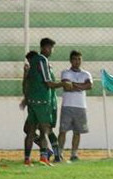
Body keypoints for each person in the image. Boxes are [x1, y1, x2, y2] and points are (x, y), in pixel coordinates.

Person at [21, 38, 70, 167]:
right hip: (43, 101)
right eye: (51, 48)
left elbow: (27, 84)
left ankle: (27, 159)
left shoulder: (32, 65)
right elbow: (48, 83)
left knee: (30, 131)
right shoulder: (43, 60)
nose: (52, 51)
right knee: (45, 130)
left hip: (33, 101)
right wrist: (63, 84)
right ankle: (47, 157)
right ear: (45, 48)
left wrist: (26, 99)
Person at [58, 50, 92, 162]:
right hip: (67, 105)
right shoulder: (66, 72)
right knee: (63, 130)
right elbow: (67, 86)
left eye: (79, 59)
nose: (77, 61)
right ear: (70, 60)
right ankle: (59, 153)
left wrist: (74, 85)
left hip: (80, 106)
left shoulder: (86, 74)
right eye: (75, 59)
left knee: (77, 132)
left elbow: (89, 85)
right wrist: (81, 86)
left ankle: (74, 154)